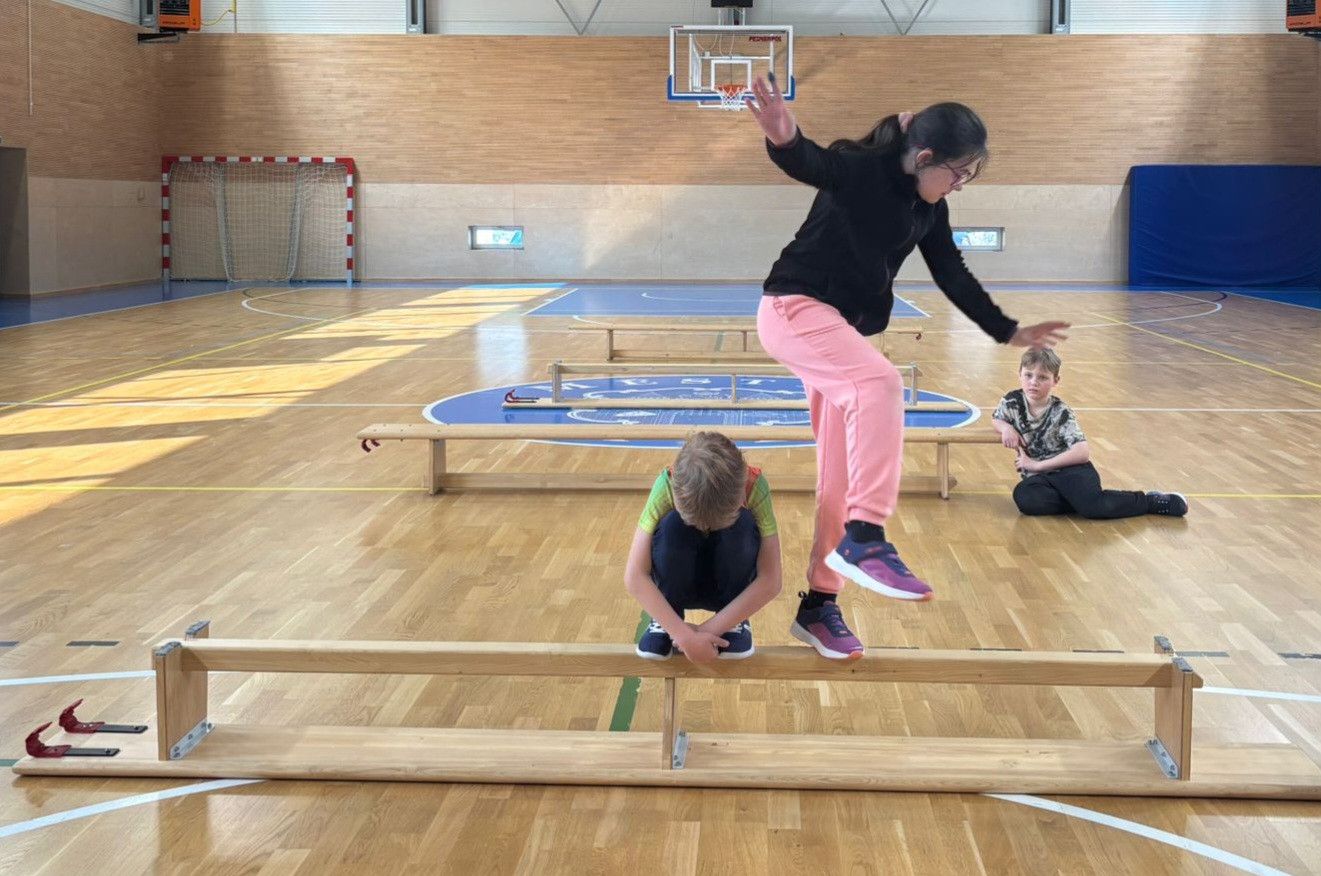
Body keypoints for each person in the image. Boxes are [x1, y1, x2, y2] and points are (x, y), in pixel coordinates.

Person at [746, 73, 1070, 660]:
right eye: (957, 172)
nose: (960, 184)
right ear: (924, 158)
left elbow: (952, 273)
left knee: (840, 477)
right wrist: (784, 137)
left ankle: (819, 604)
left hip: (841, 331)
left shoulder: (929, 208)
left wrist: (1008, 330)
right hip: (795, 308)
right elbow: (814, 164)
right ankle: (866, 536)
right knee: (880, 383)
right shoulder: (864, 168)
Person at [623, 432, 782, 663]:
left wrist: (702, 633)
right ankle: (666, 618)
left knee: (744, 524)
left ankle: (732, 621)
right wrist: (682, 634)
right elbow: (634, 576)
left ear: (740, 495)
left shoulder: (754, 487)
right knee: (672, 525)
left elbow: (771, 580)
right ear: (675, 491)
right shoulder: (666, 484)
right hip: (680, 583)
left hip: (727, 588)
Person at [994, 348, 1188, 519]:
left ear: (1055, 381)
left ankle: (1149, 502)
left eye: (1042, 377)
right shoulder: (1012, 401)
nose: (1033, 382)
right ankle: (1082, 502)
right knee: (1026, 498)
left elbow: (1082, 452)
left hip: (1072, 471)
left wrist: (1036, 465)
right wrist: (1006, 428)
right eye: (1028, 375)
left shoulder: (1060, 412)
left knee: (1094, 508)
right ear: (1019, 374)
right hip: (1042, 479)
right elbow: (997, 418)